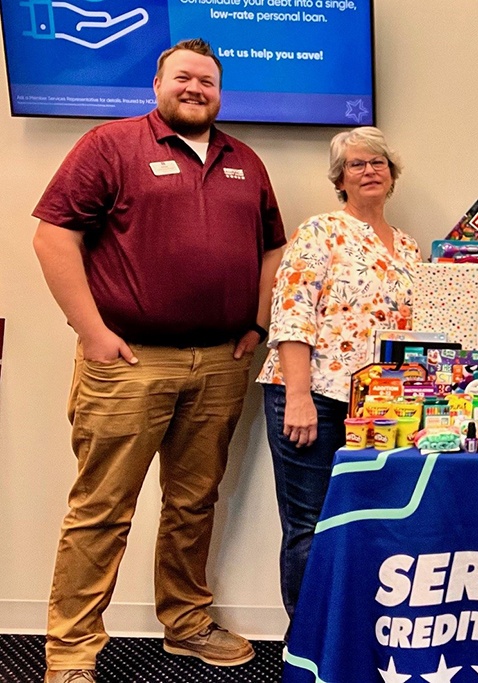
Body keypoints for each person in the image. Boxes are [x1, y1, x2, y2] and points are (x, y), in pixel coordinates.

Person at [31, 38, 286, 683]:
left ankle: (187, 623)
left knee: (194, 503)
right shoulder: (110, 146)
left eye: (208, 80)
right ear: (158, 83)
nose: (196, 88)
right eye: (184, 77)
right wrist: (91, 333)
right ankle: (71, 654)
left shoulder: (245, 162)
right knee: (101, 510)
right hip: (128, 363)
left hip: (221, 365)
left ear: (220, 92)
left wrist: (256, 325)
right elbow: (53, 235)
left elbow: (271, 252)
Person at [257, 127, 420, 640]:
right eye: (356, 164)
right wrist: (298, 397)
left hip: (381, 407)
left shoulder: (410, 247)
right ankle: (305, 642)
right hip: (312, 396)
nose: (369, 171)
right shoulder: (320, 231)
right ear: (340, 178)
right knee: (310, 524)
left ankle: (351, 636)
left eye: (379, 163)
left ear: (392, 174)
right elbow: (290, 313)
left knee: (367, 519)